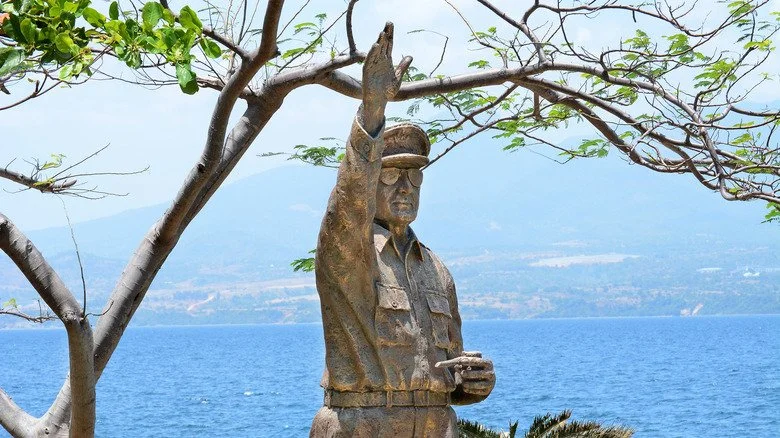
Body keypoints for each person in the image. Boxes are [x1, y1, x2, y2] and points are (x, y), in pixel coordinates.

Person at [310, 23, 495, 438]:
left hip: (436, 426)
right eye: (392, 177)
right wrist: (372, 109)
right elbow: (348, 199)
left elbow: (445, 365)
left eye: (414, 176)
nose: (406, 187)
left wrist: (470, 385)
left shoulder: (435, 268)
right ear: (371, 182)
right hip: (365, 426)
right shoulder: (349, 254)